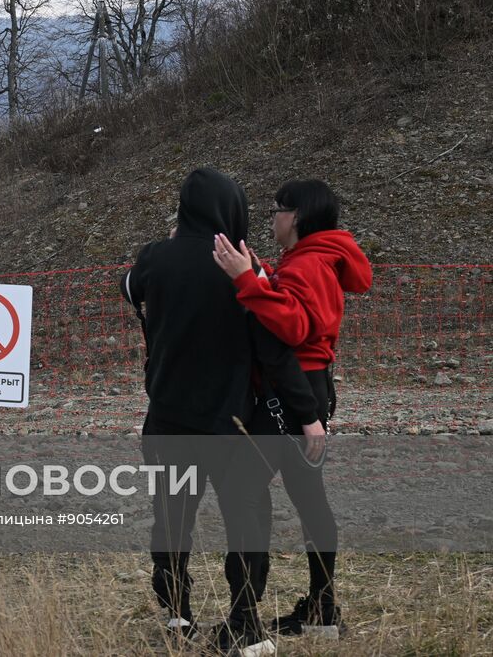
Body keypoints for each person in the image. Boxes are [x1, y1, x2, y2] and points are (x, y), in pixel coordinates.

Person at [122, 168, 321, 655]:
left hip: (166, 418)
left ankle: (175, 615)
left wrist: (168, 246)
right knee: (247, 518)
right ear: (233, 212)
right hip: (229, 424)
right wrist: (308, 412)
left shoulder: (156, 259)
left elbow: (129, 288)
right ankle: (245, 623)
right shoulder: (239, 269)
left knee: (171, 517)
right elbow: (273, 350)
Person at [212, 179, 373, 640]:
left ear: (297, 216)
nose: (273, 218)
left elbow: (295, 326)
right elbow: (292, 304)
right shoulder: (314, 260)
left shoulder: (308, 265)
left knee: (241, 489)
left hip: (293, 392)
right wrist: (260, 272)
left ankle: (245, 622)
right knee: (308, 497)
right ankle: (322, 609)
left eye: (278, 210)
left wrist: (247, 281)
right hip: (310, 389)